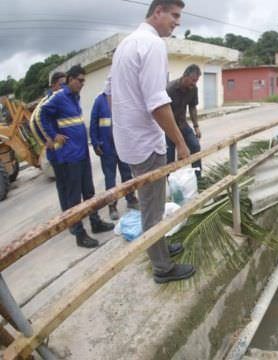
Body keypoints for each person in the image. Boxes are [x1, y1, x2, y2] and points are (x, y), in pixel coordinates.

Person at [107, 0, 195, 284]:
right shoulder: (152, 44)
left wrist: (125, 123)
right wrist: (181, 143)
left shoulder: (126, 44)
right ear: (157, 12)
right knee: (152, 208)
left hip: (130, 142)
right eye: (174, 15)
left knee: (152, 204)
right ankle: (162, 268)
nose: (177, 22)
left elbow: (109, 92)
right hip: (146, 143)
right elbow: (158, 103)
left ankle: (159, 248)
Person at [40, 65, 114, 248]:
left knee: (89, 192)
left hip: (82, 153)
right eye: (80, 80)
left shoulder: (75, 96)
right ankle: (80, 234)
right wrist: (53, 135)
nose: (82, 84)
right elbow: (43, 114)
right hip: (70, 156)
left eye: (84, 81)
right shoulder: (59, 97)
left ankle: (95, 222)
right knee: (74, 198)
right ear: (70, 79)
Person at [89, 91, 139, 220]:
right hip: (107, 148)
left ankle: (131, 198)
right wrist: (95, 143)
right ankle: (112, 205)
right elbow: (93, 123)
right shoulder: (99, 101)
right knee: (110, 178)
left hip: (122, 145)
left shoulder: (120, 98)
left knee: (127, 174)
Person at [166, 64, 202, 177]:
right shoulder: (169, 89)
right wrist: (179, 143)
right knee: (169, 159)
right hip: (169, 128)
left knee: (195, 147)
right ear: (185, 76)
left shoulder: (193, 89)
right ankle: (173, 185)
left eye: (196, 81)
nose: (194, 83)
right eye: (193, 80)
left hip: (183, 125)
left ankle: (198, 180)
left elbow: (192, 107)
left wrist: (196, 126)